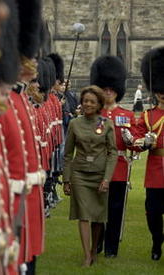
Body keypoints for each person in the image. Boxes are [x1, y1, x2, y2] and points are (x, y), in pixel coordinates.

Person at [63, 85, 117, 267]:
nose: (88, 104)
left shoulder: (107, 124)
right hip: (79, 174)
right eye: (85, 101)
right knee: (84, 215)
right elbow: (68, 154)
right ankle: (87, 255)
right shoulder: (74, 124)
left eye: (92, 102)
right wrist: (66, 179)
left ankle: (94, 249)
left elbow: (112, 153)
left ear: (99, 104)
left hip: (100, 174)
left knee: (98, 216)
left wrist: (107, 179)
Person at [90, 55, 138, 258]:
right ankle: (96, 244)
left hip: (118, 167)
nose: (108, 92)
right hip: (98, 167)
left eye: (111, 89)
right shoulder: (92, 115)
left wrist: (132, 141)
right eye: (105, 89)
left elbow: (135, 144)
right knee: (96, 210)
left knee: (115, 210)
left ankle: (111, 249)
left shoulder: (126, 115)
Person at [132, 46, 164, 261]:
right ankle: (156, 240)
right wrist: (141, 142)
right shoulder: (148, 116)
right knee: (152, 212)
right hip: (155, 170)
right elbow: (137, 139)